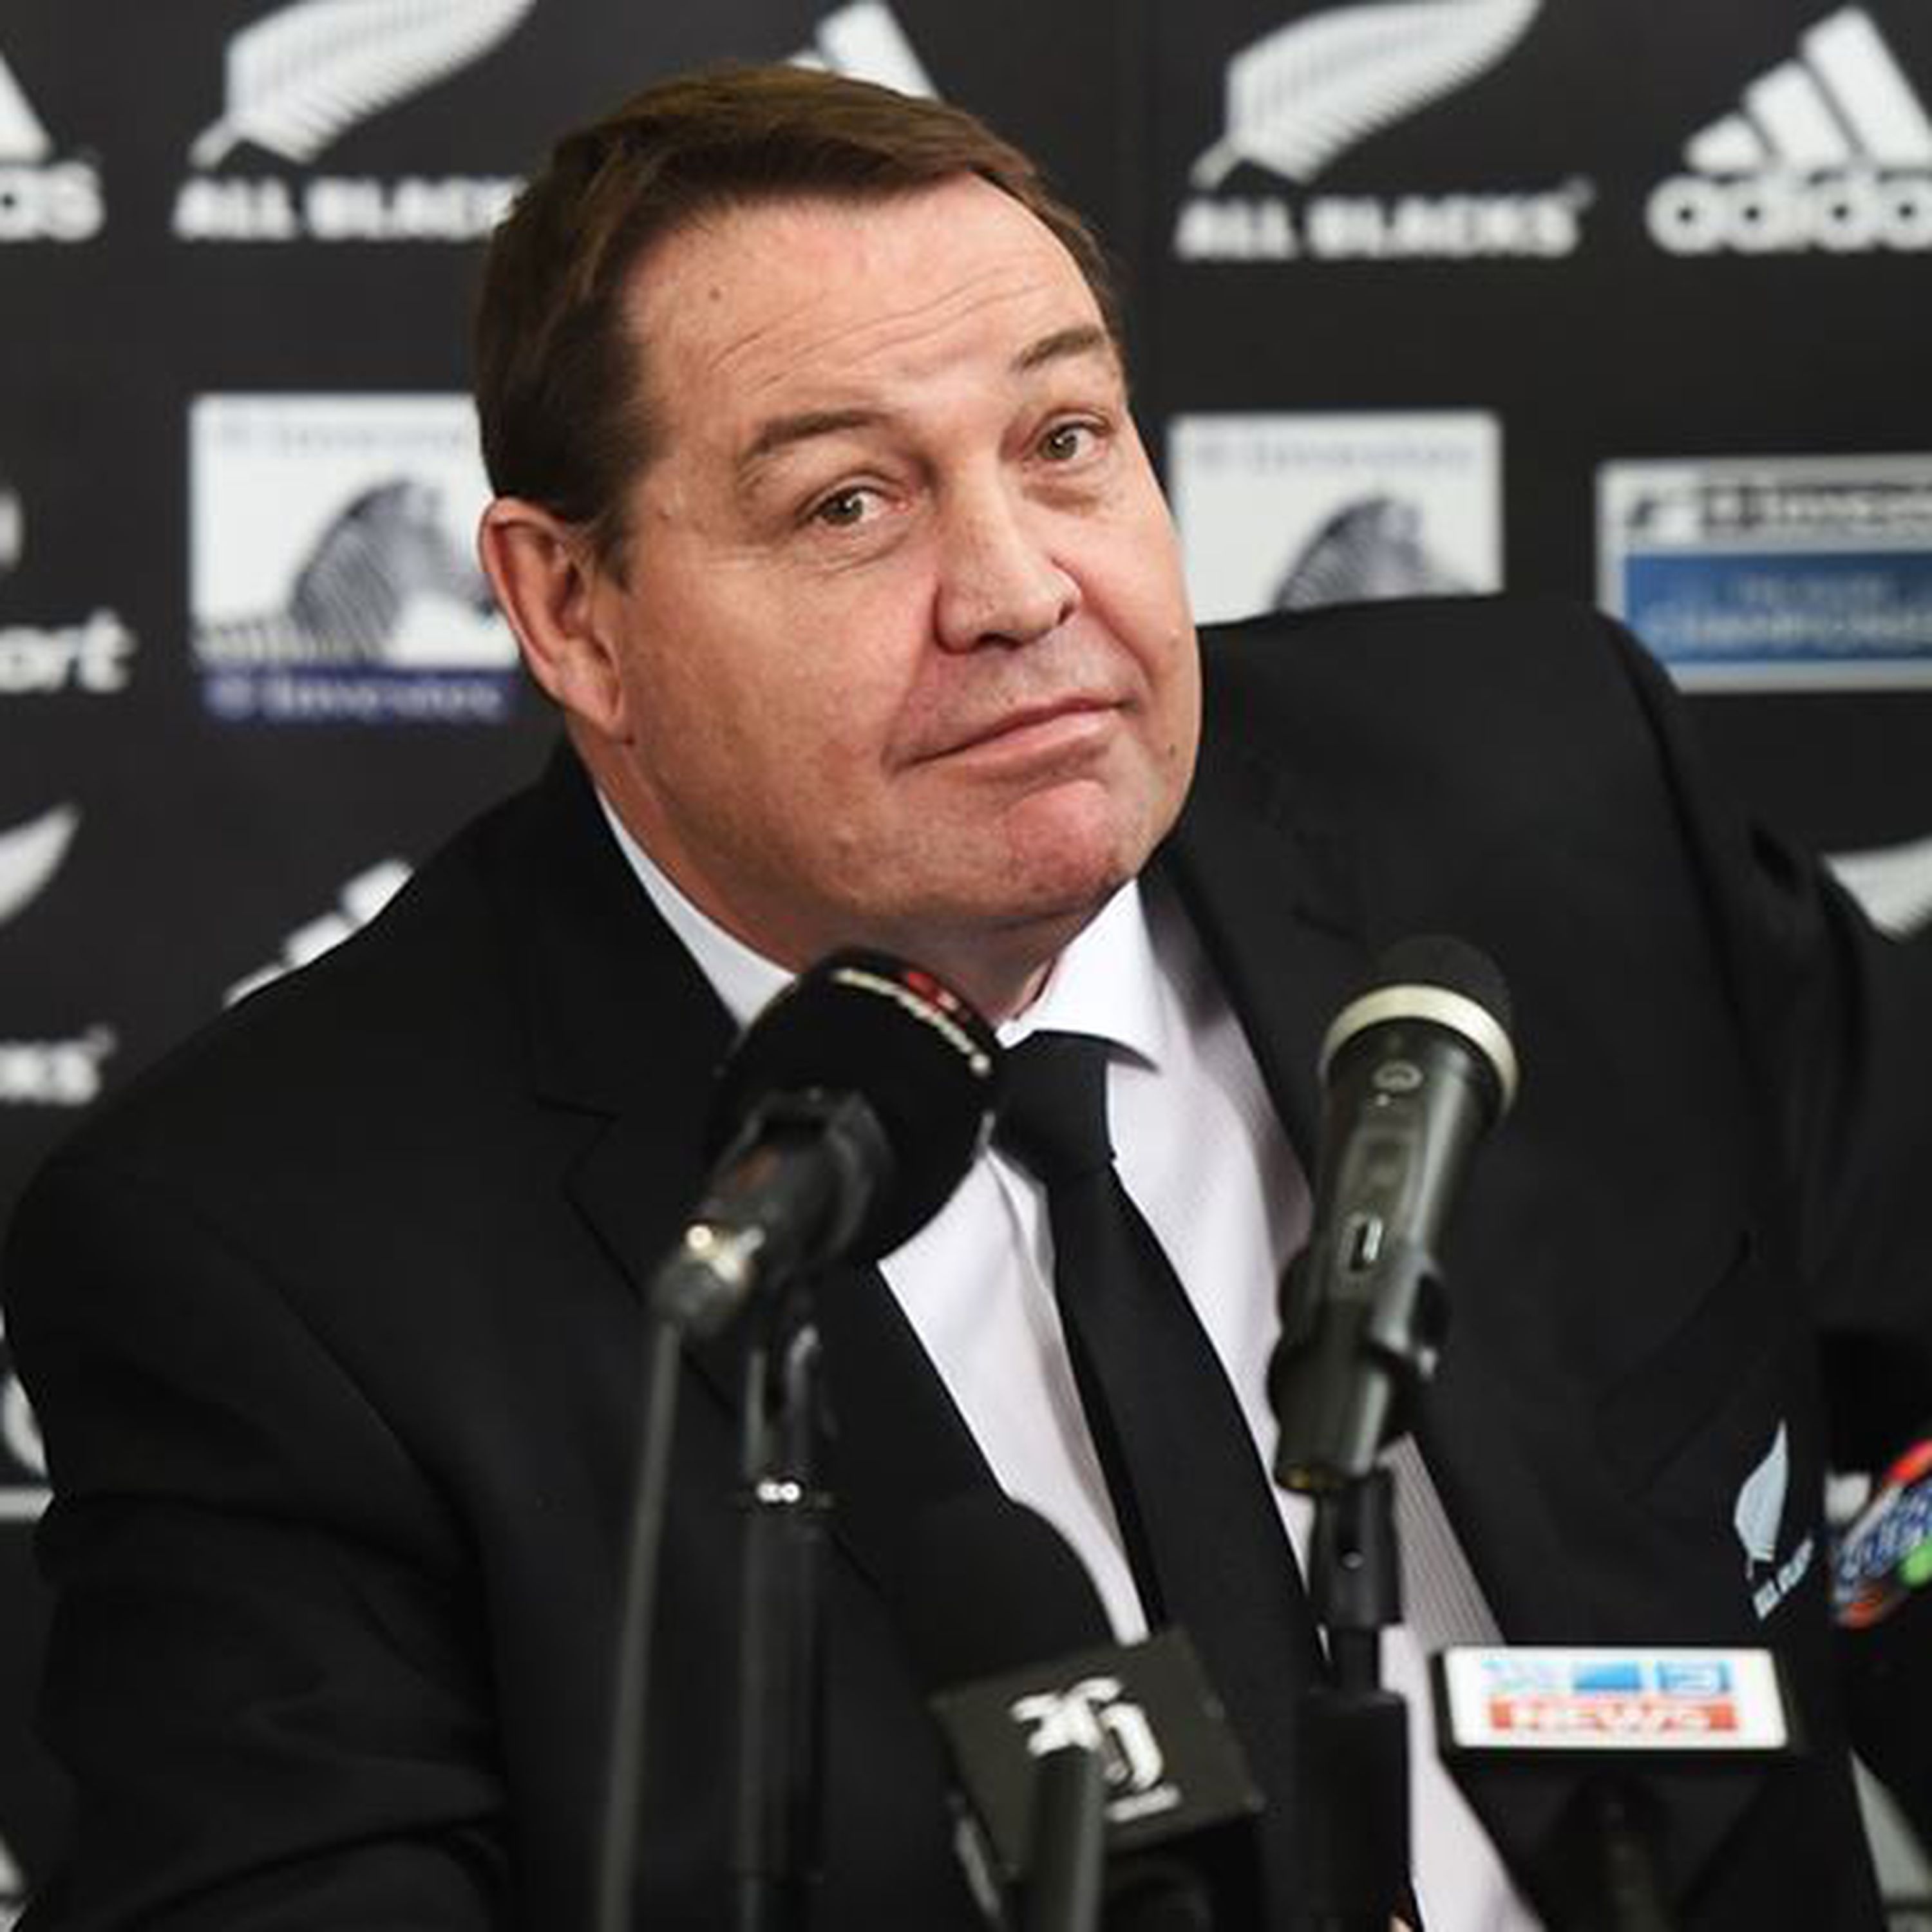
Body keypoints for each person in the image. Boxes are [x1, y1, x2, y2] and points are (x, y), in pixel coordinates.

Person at [5, 62, 1929, 1930]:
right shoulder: (276, 1257)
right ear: (572, 608)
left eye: (1065, 440)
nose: (1017, 589)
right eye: (850, 504)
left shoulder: (1546, 796)